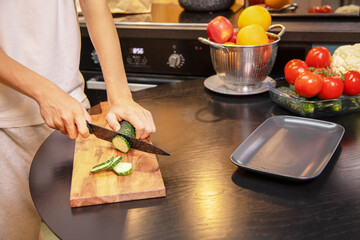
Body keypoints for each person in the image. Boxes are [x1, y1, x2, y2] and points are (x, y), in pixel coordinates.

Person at [0, 0, 156, 239]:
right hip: (6, 125)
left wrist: (121, 96)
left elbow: (96, 7)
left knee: (91, 231)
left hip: (76, 119)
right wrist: (45, 93)